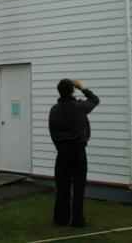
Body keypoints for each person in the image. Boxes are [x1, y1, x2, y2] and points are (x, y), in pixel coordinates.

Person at [49, 78, 100, 227]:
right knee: (78, 187)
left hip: (62, 152)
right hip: (78, 152)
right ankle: (78, 220)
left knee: (62, 186)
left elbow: (53, 132)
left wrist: (60, 147)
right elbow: (95, 100)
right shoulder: (79, 106)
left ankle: (60, 219)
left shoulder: (54, 110)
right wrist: (82, 88)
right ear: (72, 90)